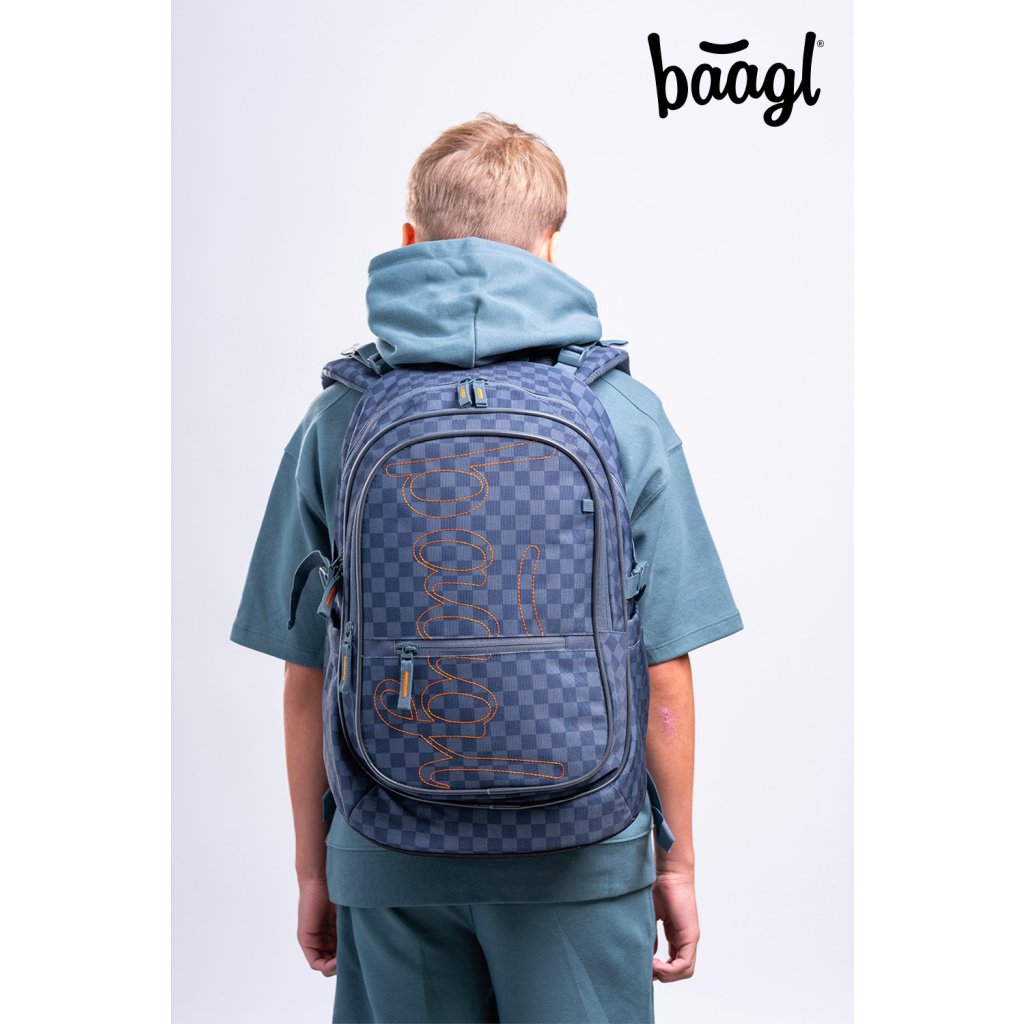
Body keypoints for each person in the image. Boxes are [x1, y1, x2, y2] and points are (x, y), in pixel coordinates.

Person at [231, 112, 744, 1024]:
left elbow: (305, 674)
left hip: (387, 845)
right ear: (550, 247)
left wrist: (317, 869)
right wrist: (676, 863)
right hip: (584, 848)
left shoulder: (338, 421)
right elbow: (665, 674)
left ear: (409, 241)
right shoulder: (623, 414)